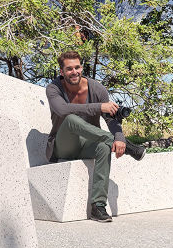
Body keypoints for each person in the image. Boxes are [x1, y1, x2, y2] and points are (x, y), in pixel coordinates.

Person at [47, 51, 144, 222]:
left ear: (81, 67)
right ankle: (129, 147)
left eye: (77, 67)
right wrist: (99, 107)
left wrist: (119, 137)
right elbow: (62, 110)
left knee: (104, 147)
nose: (74, 72)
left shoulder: (97, 89)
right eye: (69, 69)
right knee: (71, 119)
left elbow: (111, 119)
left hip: (89, 144)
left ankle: (98, 207)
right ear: (62, 71)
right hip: (63, 146)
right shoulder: (53, 88)